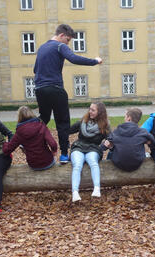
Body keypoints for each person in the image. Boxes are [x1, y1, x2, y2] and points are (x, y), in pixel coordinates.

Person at [34, 24, 103, 164]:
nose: (68, 43)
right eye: (68, 40)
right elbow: (74, 58)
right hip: (55, 88)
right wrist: (95, 61)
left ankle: (27, 137)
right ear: (61, 36)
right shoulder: (60, 46)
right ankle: (64, 154)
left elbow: (36, 70)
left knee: (44, 117)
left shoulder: (41, 48)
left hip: (40, 89)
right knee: (63, 122)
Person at [68, 102, 110, 202]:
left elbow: (111, 139)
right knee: (77, 165)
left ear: (100, 112)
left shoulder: (104, 125)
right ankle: (75, 192)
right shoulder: (83, 121)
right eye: (90, 109)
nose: (90, 111)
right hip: (79, 147)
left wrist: (104, 146)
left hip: (93, 148)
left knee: (93, 162)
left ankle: (96, 188)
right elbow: (68, 130)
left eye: (93, 110)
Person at [3, 106, 58, 171]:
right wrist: (54, 151)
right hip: (47, 162)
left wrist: (3, 143)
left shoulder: (19, 132)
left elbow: (8, 149)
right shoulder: (41, 125)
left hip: (33, 164)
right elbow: (53, 143)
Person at [101, 108, 155, 172]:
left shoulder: (118, 131)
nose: (124, 118)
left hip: (119, 163)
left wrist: (102, 148)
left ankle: (108, 170)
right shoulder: (142, 133)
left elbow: (104, 145)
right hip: (136, 163)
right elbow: (154, 144)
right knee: (144, 152)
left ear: (129, 118)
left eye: (125, 116)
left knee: (111, 152)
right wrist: (150, 145)